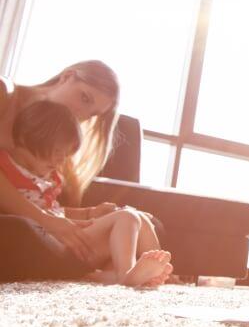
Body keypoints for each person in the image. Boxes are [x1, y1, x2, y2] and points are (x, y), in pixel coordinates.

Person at [0, 60, 170, 284]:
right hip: (16, 227)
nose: (80, 114)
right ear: (67, 76)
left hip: (46, 232)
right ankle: (126, 274)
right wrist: (46, 221)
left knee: (143, 222)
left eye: (92, 114)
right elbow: (44, 214)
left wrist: (91, 213)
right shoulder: (5, 93)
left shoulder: (57, 146)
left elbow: (54, 207)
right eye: (84, 98)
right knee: (21, 231)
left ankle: (122, 275)